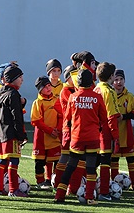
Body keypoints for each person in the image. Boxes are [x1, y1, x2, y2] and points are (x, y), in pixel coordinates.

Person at [54, 69, 107, 205]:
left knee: (70, 166)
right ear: (91, 82)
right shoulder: (97, 97)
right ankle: (89, 197)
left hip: (77, 137)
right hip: (93, 138)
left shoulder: (73, 97)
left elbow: (67, 118)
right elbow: (104, 118)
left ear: (78, 82)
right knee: (90, 169)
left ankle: (59, 196)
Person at [0, 65, 28, 197]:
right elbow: (16, 117)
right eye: (20, 77)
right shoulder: (14, 94)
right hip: (12, 132)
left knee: (2, 160)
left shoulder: (1, 92)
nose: (22, 80)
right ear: (13, 79)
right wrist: (21, 135)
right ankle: (13, 190)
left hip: (2, 132)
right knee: (14, 160)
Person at [53, 64, 85, 194]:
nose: (77, 78)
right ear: (68, 77)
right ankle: (58, 182)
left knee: (75, 157)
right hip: (68, 129)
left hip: (75, 128)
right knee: (66, 156)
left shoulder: (73, 90)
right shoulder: (66, 91)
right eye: (74, 75)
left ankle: (74, 183)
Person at [94, 62, 120, 201]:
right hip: (104, 133)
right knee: (105, 162)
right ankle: (104, 192)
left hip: (93, 131)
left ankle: (82, 187)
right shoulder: (109, 91)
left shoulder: (95, 89)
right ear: (111, 76)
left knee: (92, 161)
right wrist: (116, 137)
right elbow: (111, 117)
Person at [112, 69, 134, 190]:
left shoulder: (129, 96)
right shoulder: (109, 95)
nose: (119, 82)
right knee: (114, 159)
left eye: (121, 79)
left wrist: (123, 116)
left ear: (124, 81)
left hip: (126, 133)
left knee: (131, 158)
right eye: (116, 79)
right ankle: (113, 183)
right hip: (114, 133)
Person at [31, 76, 62, 189]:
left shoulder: (56, 100)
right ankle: (40, 181)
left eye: (49, 86)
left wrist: (57, 129)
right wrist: (49, 131)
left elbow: (61, 116)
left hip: (54, 136)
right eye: (45, 87)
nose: (48, 88)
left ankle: (54, 179)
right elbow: (36, 120)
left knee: (56, 160)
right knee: (39, 161)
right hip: (41, 138)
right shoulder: (37, 103)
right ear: (40, 90)